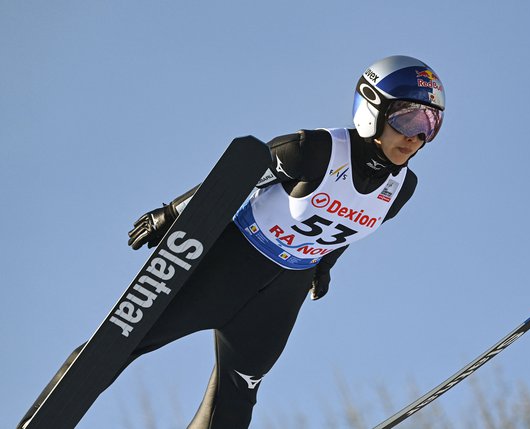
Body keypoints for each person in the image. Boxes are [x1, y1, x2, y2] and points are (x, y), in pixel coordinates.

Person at [19, 55, 445, 429]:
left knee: (235, 404)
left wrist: (323, 267)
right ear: (372, 108)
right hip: (229, 262)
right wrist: (171, 215)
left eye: (429, 125)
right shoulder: (311, 150)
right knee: (117, 344)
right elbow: (235, 180)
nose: (415, 136)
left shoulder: (401, 189)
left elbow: (343, 229)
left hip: (280, 296)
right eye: (407, 119)